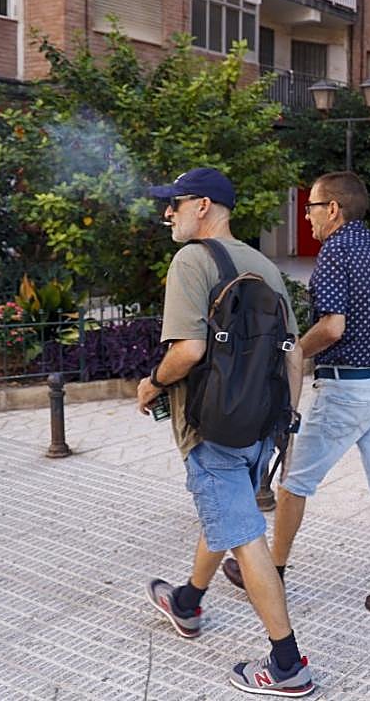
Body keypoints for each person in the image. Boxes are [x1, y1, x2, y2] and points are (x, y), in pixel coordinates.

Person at [137, 167, 315, 697]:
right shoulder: (264, 265)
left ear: (204, 206)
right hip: (260, 423)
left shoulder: (190, 260)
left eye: (175, 203)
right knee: (227, 509)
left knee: (241, 533)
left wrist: (151, 383)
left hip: (211, 425)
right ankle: (188, 602)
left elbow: (188, 351)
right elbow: (295, 352)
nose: (167, 212)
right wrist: (283, 423)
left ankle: (288, 664)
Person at [222, 171, 370, 626]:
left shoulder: (335, 251)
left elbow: (333, 327)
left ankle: (271, 572)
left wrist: (290, 351)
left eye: (311, 206)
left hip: (344, 390)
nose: (307, 215)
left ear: (333, 209)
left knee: (293, 483)